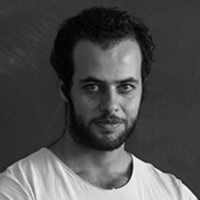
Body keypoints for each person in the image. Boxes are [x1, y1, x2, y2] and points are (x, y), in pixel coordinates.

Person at [0, 6, 198, 199]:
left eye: (125, 87)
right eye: (93, 87)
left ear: (142, 89)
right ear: (64, 89)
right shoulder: (20, 189)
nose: (111, 105)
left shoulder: (174, 194)